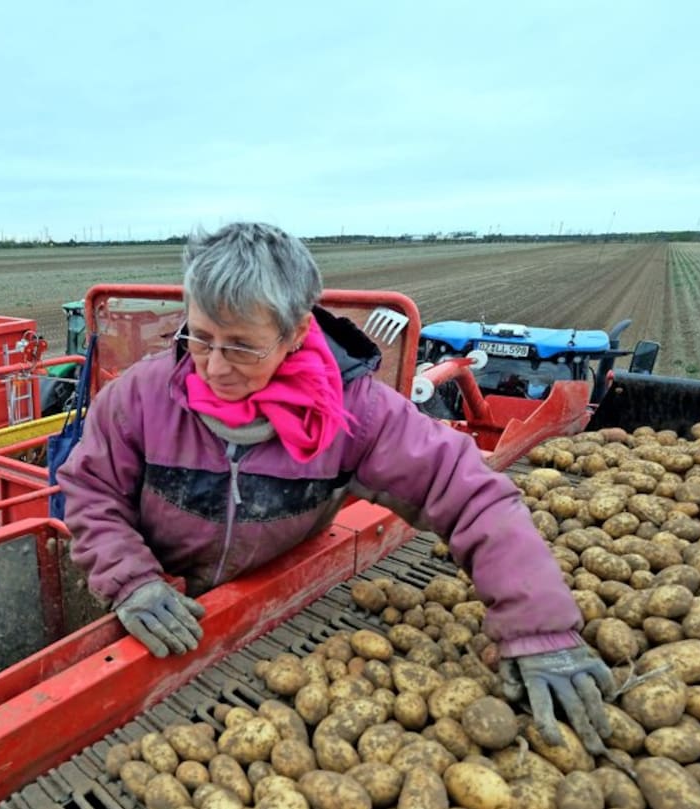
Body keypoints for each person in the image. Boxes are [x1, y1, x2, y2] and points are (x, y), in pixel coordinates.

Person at [56, 222, 614, 749]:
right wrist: (130, 580)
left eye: (242, 346)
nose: (214, 367)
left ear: (297, 331)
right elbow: (91, 490)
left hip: (269, 608)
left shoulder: (356, 413)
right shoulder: (142, 397)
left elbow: (470, 493)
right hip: (150, 603)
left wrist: (540, 630)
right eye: (200, 338)